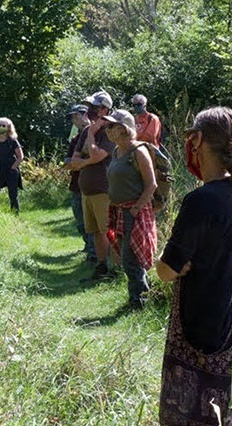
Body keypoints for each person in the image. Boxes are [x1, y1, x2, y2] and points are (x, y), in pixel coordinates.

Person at [155, 107, 232, 426]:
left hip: (204, 326)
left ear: (196, 142)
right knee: (229, 410)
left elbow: (166, 270)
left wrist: (167, 264)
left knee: (223, 417)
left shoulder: (201, 201)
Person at [103, 109, 157, 309]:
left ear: (124, 129)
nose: (107, 130)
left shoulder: (139, 151)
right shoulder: (117, 151)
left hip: (134, 213)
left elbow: (151, 184)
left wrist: (135, 208)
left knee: (132, 258)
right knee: (127, 258)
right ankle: (137, 298)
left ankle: (140, 301)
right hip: (120, 212)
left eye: (112, 127)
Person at [66, 91, 116, 279]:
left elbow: (97, 155)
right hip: (86, 189)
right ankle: (101, 266)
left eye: (95, 107)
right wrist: (87, 160)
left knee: (107, 231)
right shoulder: (86, 131)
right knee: (95, 232)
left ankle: (114, 268)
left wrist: (87, 156)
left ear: (105, 109)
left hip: (104, 189)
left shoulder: (110, 130)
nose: (91, 111)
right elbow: (73, 160)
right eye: (90, 107)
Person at [64, 104, 96, 262]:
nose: (73, 120)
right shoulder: (76, 137)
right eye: (73, 117)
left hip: (92, 183)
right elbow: (68, 160)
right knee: (80, 218)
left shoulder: (96, 134)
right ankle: (88, 247)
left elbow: (95, 159)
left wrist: (80, 162)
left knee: (91, 221)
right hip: (77, 183)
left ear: (85, 115)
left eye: (76, 116)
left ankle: (94, 254)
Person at [0, 117, 24, 213]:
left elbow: (20, 156)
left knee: (13, 194)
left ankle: (15, 214)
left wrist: (12, 168)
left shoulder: (12, 141)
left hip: (11, 171)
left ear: (8, 127)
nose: (1, 127)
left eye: (3, 125)